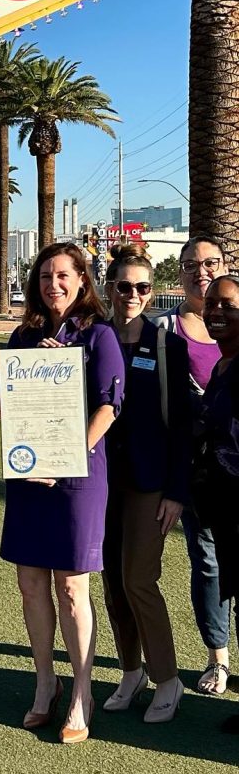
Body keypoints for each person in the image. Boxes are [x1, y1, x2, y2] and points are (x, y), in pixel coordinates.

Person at [0, 242, 124, 744]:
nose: (54, 284)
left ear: (82, 280)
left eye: (63, 275)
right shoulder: (24, 335)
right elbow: (11, 397)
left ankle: (81, 692)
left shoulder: (100, 335)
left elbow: (109, 407)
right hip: (30, 477)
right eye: (46, 275)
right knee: (31, 582)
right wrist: (35, 371)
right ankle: (45, 681)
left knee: (72, 586)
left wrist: (65, 453)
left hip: (77, 478)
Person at [100, 244, 188, 722]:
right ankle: (130, 671)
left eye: (141, 287)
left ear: (151, 292)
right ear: (109, 288)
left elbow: (181, 424)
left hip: (150, 483)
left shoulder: (164, 344)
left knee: (139, 579)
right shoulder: (92, 340)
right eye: (123, 286)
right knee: (112, 582)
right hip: (100, 482)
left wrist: (177, 491)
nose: (131, 295)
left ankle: (168, 678)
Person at [152, 235, 234, 695]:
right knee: (207, 562)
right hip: (195, 471)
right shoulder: (163, 330)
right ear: (179, 272)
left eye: (210, 262)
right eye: (190, 264)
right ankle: (217, 658)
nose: (200, 271)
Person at [192, 274, 239, 732]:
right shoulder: (223, 366)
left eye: (227, 304)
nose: (216, 312)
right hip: (224, 509)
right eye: (211, 305)